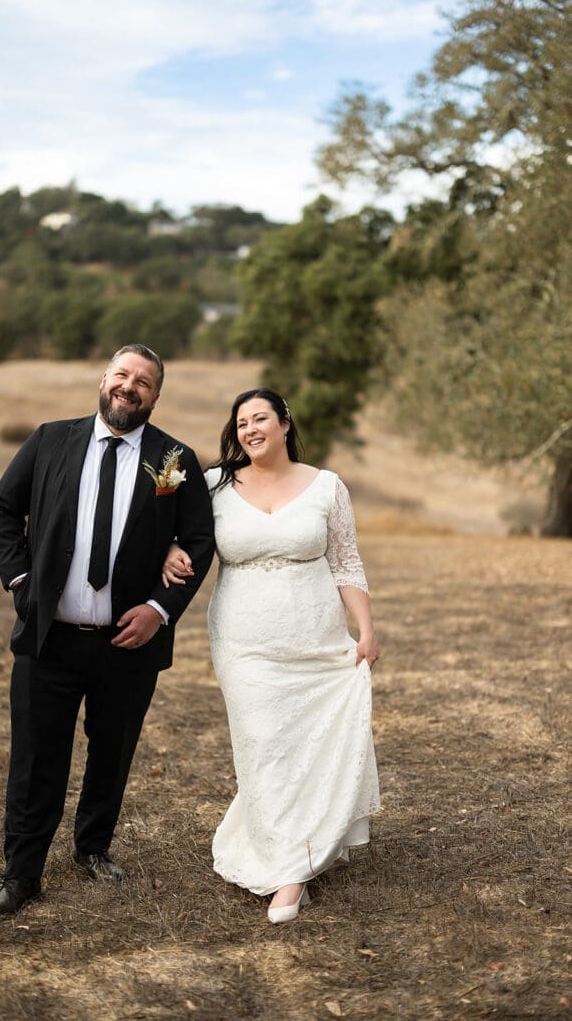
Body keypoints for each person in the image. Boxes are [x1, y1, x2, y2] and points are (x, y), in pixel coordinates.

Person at [0, 344, 215, 917]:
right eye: (121, 375)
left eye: (143, 382)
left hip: (128, 643)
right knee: (36, 757)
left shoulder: (176, 459)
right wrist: (19, 580)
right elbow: (2, 509)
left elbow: (198, 543)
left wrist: (159, 609)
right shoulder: (50, 439)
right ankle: (22, 875)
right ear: (103, 379)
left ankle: (93, 848)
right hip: (50, 638)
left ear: (156, 396)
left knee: (112, 752)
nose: (129, 387)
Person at [163, 388, 380, 924]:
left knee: (311, 742)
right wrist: (170, 548)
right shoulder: (213, 484)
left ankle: (301, 857)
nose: (250, 429)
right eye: (241, 422)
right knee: (263, 744)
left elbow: (346, 562)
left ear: (285, 423)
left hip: (316, 637)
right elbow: (175, 529)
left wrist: (367, 630)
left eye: (260, 418)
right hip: (244, 640)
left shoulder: (327, 486)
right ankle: (288, 867)